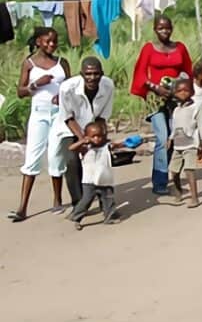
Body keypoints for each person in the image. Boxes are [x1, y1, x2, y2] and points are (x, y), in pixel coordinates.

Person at [8, 27, 71, 222]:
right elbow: (20, 92)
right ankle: (22, 207)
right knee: (32, 157)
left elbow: (71, 87)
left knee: (55, 155)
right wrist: (37, 84)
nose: (51, 44)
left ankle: (57, 200)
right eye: (47, 41)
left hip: (58, 115)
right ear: (38, 42)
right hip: (39, 115)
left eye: (54, 41)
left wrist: (61, 96)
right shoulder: (29, 64)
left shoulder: (62, 63)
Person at [131, 15, 193, 195]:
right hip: (156, 98)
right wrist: (155, 88)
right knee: (162, 137)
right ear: (155, 30)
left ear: (172, 28)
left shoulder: (179, 47)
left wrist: (186, 91)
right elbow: (140, 74)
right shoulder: (149, 49)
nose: (164, 31)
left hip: (176, 98)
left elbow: (188, 71)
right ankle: (159, 181)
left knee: (176, 136)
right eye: (160, 28)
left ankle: (172, 174)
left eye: (167, 28)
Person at [55, 57, 116, 208]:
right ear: (81, 74)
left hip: (95, 126)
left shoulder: (108, 85)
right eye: (88, 74)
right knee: (72, 160)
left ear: (102, 73)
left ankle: (105, 201)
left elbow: (102, 117)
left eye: (96, 74)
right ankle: (79, 202)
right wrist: (83, 140)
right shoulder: (67, 88)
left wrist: (98, 140)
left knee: (102, 159)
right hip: (70, 127)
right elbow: (68, 117)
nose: (92, 78)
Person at [68, 121, 121, 230]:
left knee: (108, 198)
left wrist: (123, 144)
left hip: (105, 178)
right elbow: (71, 148)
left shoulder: (106, 146)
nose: (97, 139)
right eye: (93, 136)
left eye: (99, 136)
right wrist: (82, 141)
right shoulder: (85, 148)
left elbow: (117, 145)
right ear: (87, 136)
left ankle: (109, 216)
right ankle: (76, 217)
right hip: (89, 181)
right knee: (86, 200)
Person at [169, 78, 202, 208]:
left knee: (189, 170)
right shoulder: (176, 110)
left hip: (190, 144)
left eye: (186, 90)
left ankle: (194, 197)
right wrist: (170, 138)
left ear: (192, 91)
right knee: (174, 171)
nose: (182, 93)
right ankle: (178, 192)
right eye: (179, 90)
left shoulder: (195, 108)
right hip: (177, 145)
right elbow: (174, 127)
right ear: (174, 92)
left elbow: (201, 124)